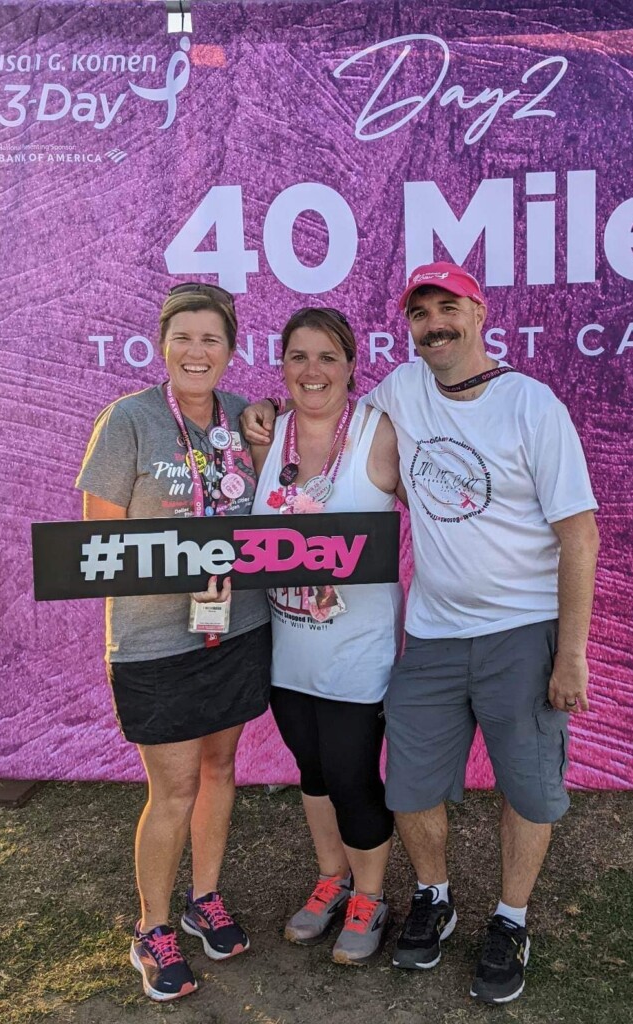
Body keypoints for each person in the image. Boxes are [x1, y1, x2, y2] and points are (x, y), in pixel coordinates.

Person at [242, 262, 600, 1003]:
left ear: (478, 313)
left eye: (448, 308)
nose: (434, 323)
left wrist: (570, 654)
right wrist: (264, 414)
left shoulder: (532, 406)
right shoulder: (400, 392)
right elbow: (324, 407)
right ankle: (432, 899)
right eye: (420, 313)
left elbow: (580, 535)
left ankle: (509, 918)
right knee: (408, 785)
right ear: (407, 327)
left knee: (527, 789)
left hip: (520, 630)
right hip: (432, 634)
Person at [76, 283, 272, 1003]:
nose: (198, 351)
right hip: (155, 640)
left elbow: (268, 512)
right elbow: (94, 542)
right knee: (174, 787)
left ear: (229, 349)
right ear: (163, 344)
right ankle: (152, 929)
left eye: (211, 340)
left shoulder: (244, 418)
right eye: (184, 338)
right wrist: (188, 557)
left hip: (239, 630)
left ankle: (205, 899)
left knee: (220, 769)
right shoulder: (127, 421)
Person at [250, 307, 402, 965]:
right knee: (312, 771)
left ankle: (370, 896)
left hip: (356, 652)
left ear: (349, 366)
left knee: (350, 774)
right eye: (298, 358)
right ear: (282, 367)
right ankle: (330, 880)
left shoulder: (379, 433)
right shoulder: (264, 434)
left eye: (327, 358)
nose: (312, 371)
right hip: (286, 654)